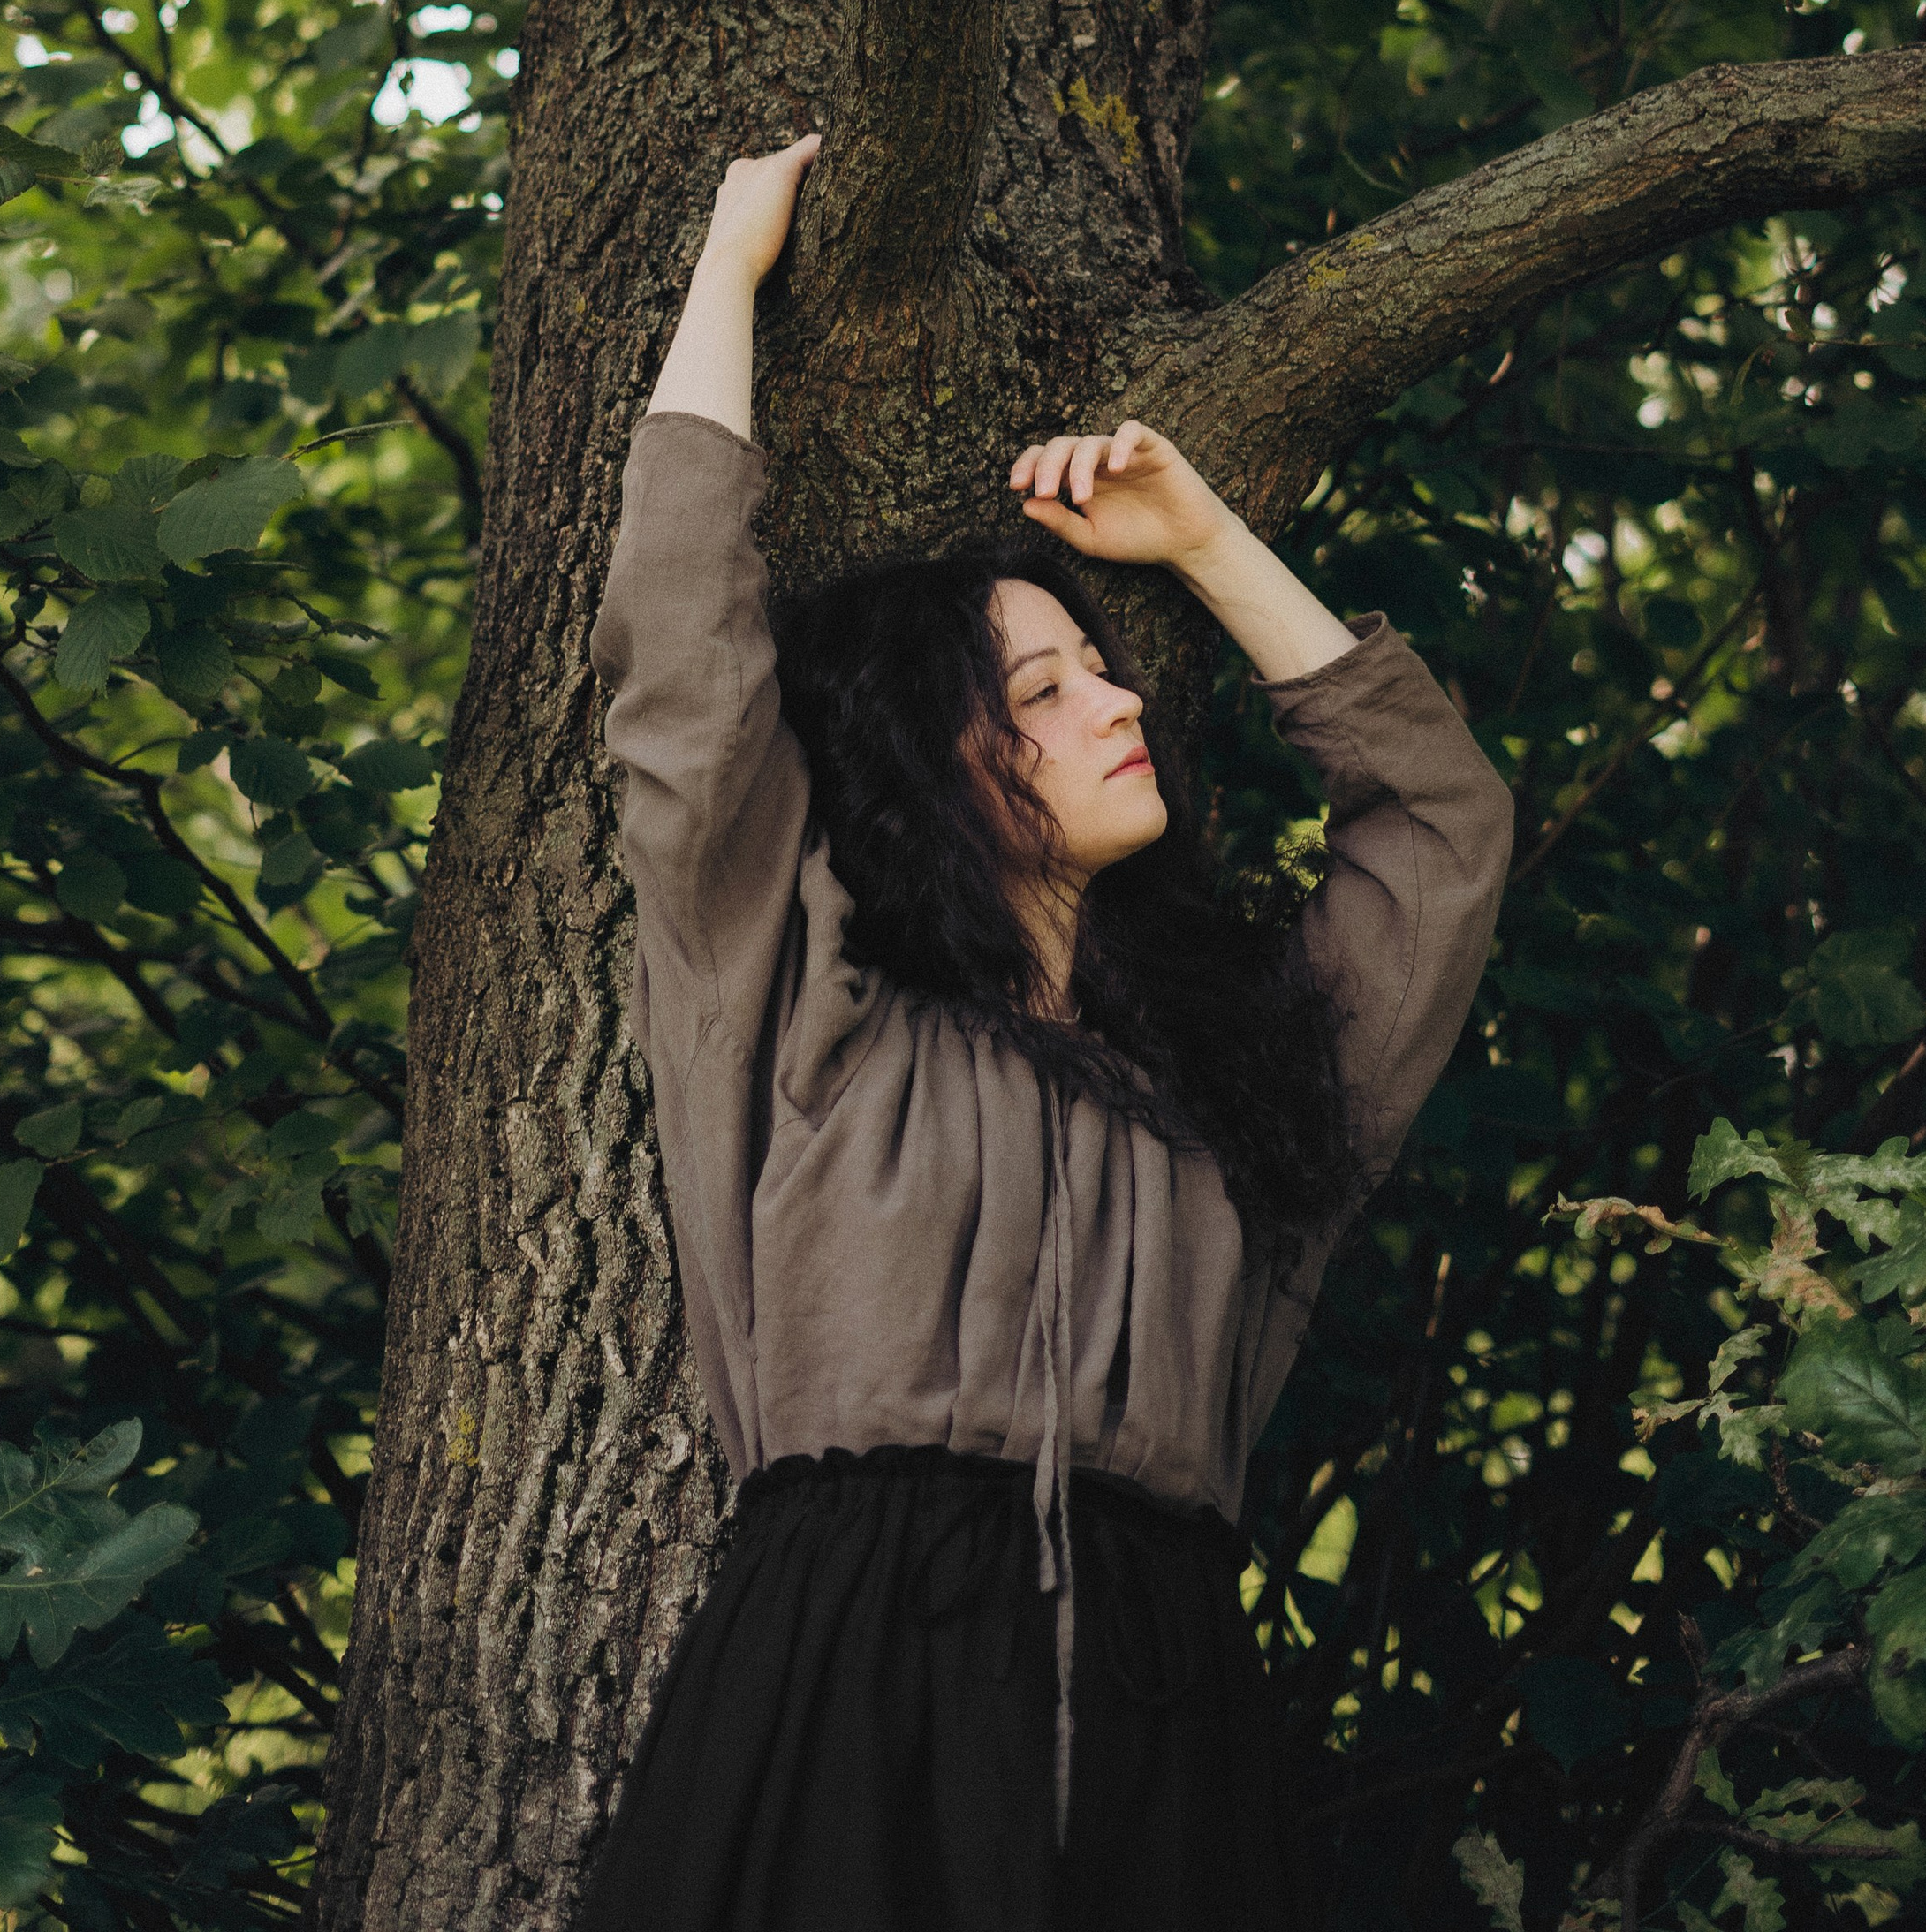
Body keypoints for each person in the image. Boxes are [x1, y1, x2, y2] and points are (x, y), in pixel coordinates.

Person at [580, 134, 1513, 1932]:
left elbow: (1441, 831)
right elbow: (685, 664)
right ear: (925, 769)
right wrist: (723, 268)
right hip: (840, 1687)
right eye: (1040, 687)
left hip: (1171, 1715)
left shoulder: (1237, 1084)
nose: (1112, 701)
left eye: (1101, 664)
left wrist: (1203, 539)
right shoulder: (802, 1013)